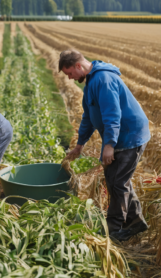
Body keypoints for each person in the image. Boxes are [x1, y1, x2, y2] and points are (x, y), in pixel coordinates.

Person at [59, 50, 151, 242]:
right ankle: (135, 221)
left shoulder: (103, 80)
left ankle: (114, 229)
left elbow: (112, 115)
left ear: (78, 66)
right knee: (114, 178)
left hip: (129, 135)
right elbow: (88, 117)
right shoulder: (91, 83)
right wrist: (80, 145)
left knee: (118, 182)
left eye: (69, 73)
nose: (69, 78)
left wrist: (109, 145)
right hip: (120, 135)